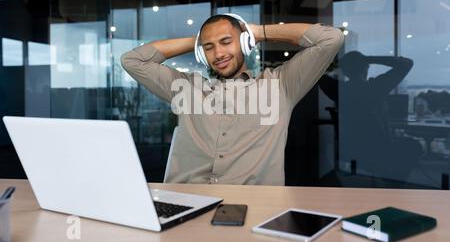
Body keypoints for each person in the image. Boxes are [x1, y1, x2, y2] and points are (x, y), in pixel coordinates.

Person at [121, 14, 344, 185]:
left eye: (226, 41)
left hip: (254, 206)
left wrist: (259, 32)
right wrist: (196, 41)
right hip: (186, 200)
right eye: (209, 47)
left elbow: (331, 39)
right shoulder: (185, 88)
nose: (218, 54)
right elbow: (132, 61)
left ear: (245, 42)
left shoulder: (281, 85)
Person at [319, 51, 423, 181]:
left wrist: (340, 64)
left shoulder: (339, 89)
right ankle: (391, 178)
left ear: (345, 71)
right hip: (379, 148)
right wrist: (369, 58)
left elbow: (316, 73)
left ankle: (386, 175)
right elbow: (407, 63)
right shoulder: (376, 86)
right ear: (365, 67)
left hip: (352, 147)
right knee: (414, 146)